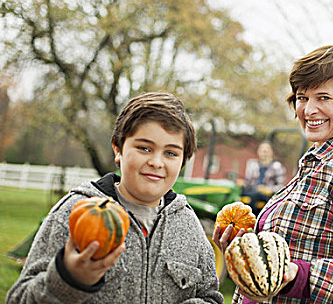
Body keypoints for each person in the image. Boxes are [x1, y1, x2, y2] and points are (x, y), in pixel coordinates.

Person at [214, 46, 333, 303]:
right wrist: (247, 251)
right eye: (302, 97)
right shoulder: (315, 163)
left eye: (323, 98)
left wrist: (299, 276)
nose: (309, 110)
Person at [7, 92, 223, 304]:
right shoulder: (74, 211)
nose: (156, 162)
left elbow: (210, 296)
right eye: (144, 148)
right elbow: (19, 299)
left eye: (170, 153)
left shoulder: (190, 226)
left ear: (182, 161)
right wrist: (67, 280)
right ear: (118, 149)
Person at [241, 141, 286, 215]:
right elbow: (248, 182)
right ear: (258, 152)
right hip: (252, 191)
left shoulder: (277, 166)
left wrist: (268, 189)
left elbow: (281, 187)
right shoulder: (252, 164)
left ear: (271, 152)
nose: (264, 152)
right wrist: (241, 183)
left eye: (267, 150)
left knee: (255, 196)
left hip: (266, 196)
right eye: (262, 149)